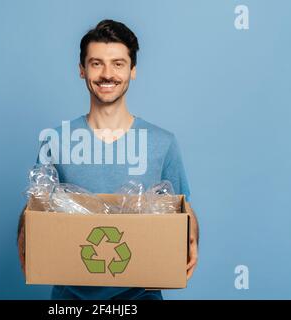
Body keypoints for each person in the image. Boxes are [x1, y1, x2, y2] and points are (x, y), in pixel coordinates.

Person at [18, 19, 199, 300]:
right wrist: (24, 231)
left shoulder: (162, 143)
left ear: (133, 70)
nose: (107, 74)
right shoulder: (56, 140)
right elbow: (36, 207)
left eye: (118, 64)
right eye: (96, 63)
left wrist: (191, 235)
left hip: (142, 297)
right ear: (82, 70)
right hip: (71, 300)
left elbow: (181, 208)